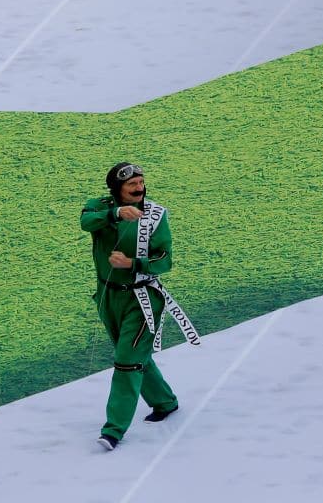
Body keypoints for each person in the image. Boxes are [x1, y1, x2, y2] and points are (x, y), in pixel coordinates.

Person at [80, 162, 185, 451]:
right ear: (117, 189)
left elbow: (164, 259)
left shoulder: (156, 215)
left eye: (141, 182)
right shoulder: (99, 207)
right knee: (136, 355)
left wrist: (132, 263)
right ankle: (165, 402)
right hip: (108, 296)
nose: (139, 188)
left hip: (142, 299)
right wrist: (115, 214)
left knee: (127, 360)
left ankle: (113, 430)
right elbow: (86, 222)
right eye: (132, 185)